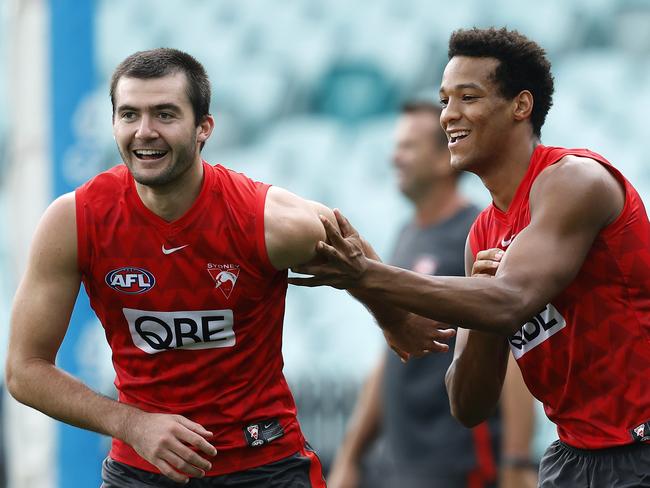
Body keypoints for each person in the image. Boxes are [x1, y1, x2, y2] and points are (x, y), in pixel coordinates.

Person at [5, 48, 455, 487]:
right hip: (142, 467)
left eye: (164, 114)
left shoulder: (265, 221)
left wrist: (391, 317)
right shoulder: (76, 221)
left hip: (265, 464)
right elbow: (24, 370)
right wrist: (131, 425)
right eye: (129, 114)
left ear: (204, 128)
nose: (144, 131)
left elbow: (344, 239)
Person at [290, 27, 650, 488]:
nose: (448, 116)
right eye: (444, 100)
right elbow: (468, 405)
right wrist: (481, 316)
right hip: (576, 455)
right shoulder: (481, 235)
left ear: (521, 106)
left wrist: (365, 275)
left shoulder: (574, 181)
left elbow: (511, 300)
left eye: (468, 98)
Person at [327, 96, 537, 488]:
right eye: (395, 147)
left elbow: (514, 349)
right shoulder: (408, 234)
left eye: (408, 147)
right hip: (400, 465)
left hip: (461, 464)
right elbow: (394, 352)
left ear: (444, 159)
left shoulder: (477, 232)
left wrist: (517, 458)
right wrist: (351, 454)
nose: (396, 158)